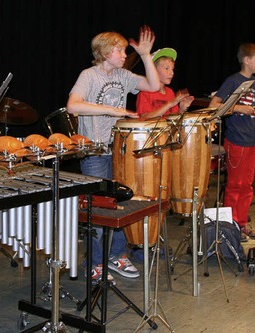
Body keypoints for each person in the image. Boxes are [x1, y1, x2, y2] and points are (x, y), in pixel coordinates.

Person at [67, 26, 161, 283]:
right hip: (95, 151)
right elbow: (73, 105)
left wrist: (145, 55)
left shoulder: (123, 75)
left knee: (121, 203)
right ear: (105, 52)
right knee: (98, 207)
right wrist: (113, 110)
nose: (123, 54)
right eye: (119, 50)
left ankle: (117, 255)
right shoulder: (89, 75)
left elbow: (154, 85)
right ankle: (94, 264)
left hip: (119, 150)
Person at [208, 43, 255, 242]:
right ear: (246, 60)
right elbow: (214, 105)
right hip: (237, 140)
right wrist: (239, 108)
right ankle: (231, 225)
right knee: (235, 184)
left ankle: (242, 222)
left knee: (247, 185)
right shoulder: (233, 81)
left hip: (252, 140)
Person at [136, 47, 194, 119]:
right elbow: (144, 118)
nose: (171, 73)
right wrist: (170, 104)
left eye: (172, 69)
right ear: (153, 70)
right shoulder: (145, 93)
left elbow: (173, 121)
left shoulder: (170, 92)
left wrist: (182, 109)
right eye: (166, 68)